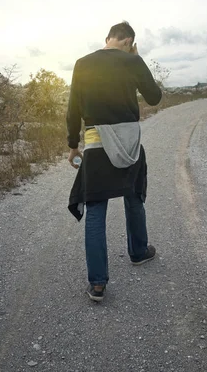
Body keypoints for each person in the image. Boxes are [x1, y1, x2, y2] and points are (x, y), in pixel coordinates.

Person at [66, 21, 162, 302]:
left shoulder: (82, 63)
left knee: (96, 208)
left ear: (107, 38)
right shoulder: (133, 60)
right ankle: (138, 251)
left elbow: (73, 109)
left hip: (96, 143)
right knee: (133, 195)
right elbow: (154, 98)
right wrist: (135, 60)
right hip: (129, 142)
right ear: (129, 41)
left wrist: (73, 144)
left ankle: (97, 284)